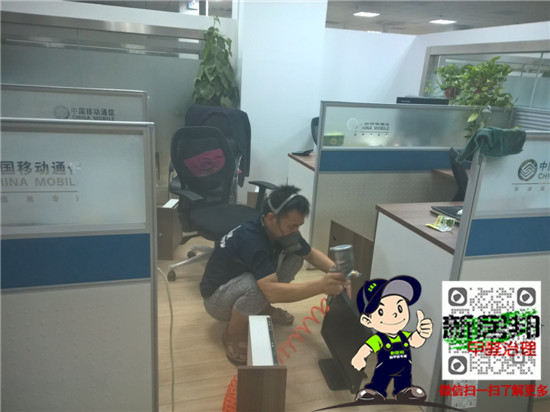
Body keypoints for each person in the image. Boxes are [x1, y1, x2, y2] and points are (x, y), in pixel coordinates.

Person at [199, 184, 349, 364]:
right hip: (216, 301)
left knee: (296, 257)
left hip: (237, 284)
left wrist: (338, 272)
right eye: (292, 226)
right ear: (271, 218)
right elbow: (270, 291)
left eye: (299, 225)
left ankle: (262, 307)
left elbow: (310, 254)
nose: (296, 231)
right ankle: (233, 333)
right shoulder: (251, 238)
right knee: (258, 286)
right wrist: (321, 286)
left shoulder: (278, 229)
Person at [351, 275, 433, 403]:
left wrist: (422, 333)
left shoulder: (404, 335)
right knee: (380, 379)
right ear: (367, 321)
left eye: (400, 308)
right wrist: (360, 356)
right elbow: (367, 348)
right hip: (385, 368)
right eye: (381, 312)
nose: (395, 314)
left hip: (404, 368)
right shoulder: (379, 338)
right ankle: (376, 391)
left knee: (404, 380)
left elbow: (415, 342)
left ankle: (404, 391)